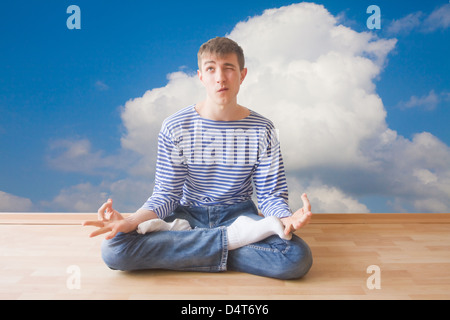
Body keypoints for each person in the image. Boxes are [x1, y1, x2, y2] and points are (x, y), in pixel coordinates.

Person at [83, 37, 313, 280]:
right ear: (201, 76)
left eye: (229, 68)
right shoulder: (175, 126)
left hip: (238, 215)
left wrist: (285, 217)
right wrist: (132, 221)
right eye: (211, 69)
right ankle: (234, 241)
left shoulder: (262, 129)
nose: (220, 78)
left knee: (296, 258)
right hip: (186, 216)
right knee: (114, 250)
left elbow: (270, 195)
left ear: (242, 75)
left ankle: (186, 249)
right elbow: (166, 194)